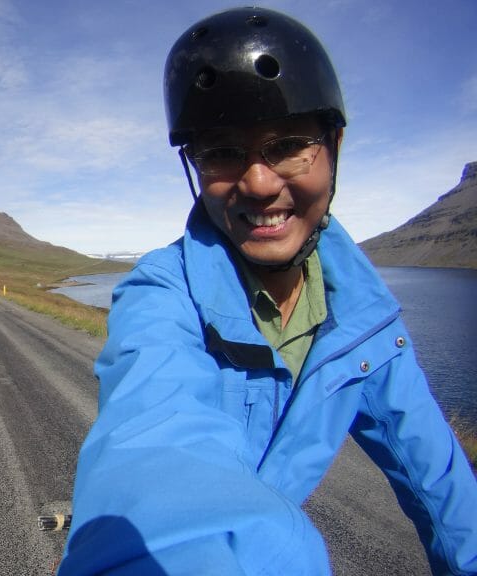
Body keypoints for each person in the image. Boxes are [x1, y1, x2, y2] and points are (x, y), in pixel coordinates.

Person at [59, 7, 477, 576]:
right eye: (222, 152)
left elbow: (442, 486)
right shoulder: (160, 293)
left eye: (288, 144)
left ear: (334, 147)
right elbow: (155, 453)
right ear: (195, 168)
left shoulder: (362, 313)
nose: (258, 182)